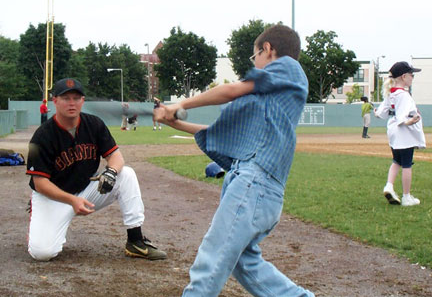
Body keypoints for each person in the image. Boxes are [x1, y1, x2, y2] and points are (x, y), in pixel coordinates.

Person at [154, 25, 314, 297]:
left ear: (267, 49)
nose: (256, 65)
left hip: (255, 183)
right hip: (254, 186)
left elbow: (230, 90)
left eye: (255, 57)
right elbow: (223, 134)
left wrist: (178, 105)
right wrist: (176, 123)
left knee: (213, 257)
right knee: (244, 262)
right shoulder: (270, 94)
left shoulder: (287, 67)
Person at [26, 78, 167, 261]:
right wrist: (72, 200)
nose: (71, 103)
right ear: (55, 101)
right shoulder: (43, 136)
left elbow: (116, 156)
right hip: (53, 198)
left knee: (126, 174)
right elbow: (40, 183)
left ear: (82, 101)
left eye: (76, 98)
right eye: (65, 98)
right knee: (42, 253)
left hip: (85, 191)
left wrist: (111, 172)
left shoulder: (93, 124)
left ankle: (135, 240)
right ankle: (39, 219)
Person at [375, 62, 425, 207]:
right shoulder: (404, 95)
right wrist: (412, 121)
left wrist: (376, 113)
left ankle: (389, 186)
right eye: (411, 75)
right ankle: (406, 197)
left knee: (396, 161)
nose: (412, 78)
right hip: (404, 134)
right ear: (404, 76)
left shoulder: (391, 93)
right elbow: (403, 118)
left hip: (393, 133)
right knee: (407, 164)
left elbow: (382, 113)